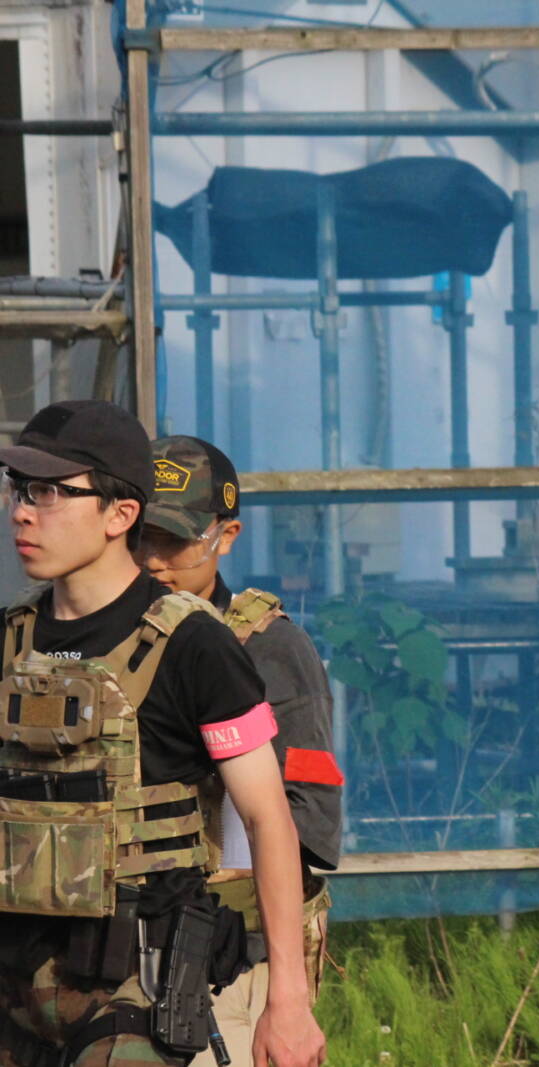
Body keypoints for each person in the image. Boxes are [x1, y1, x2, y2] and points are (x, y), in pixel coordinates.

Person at [0, 400, 324, 1067]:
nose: (24, 511)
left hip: (132, 989)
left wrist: (288, 999)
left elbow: (269, 818)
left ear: (120, 514)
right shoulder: (10, 639)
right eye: (19, 488)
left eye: (51, 492)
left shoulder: (196, 645)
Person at [137, 434, 343, 1067]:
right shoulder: (100, 640)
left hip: (227, 956)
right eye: (140, 537)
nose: (153, 560)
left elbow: (305, 815)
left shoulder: (268, 648)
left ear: (225, 536)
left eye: (174, 540)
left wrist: (287, 995)